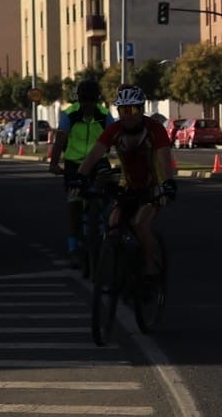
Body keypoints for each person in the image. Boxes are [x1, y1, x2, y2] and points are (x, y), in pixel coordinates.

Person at [76, 86, 179, 279]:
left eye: (132, 109)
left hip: (154, 186)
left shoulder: (155, 129)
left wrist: (168, 184)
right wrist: (79, 177)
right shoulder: (114, 130)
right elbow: (93, 156)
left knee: (140, 224)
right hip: (129, 185)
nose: (127, 115)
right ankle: (121, 265)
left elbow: (165, 159)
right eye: (123, 110)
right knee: (113, 224)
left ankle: (150, 267)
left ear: (141, 109)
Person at [48, 78, 113, 260]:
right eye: (84, 100)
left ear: (97, 99)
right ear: (79, 99)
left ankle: (105, 223)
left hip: (98, 162)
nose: (88, 104)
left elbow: (116, 139)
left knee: (107, 191)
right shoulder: (69, 115)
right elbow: (59, 142)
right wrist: (54, 164)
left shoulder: (105, 115)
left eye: (91, 100)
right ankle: (73, 246)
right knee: (74, 203)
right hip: (74, 164)